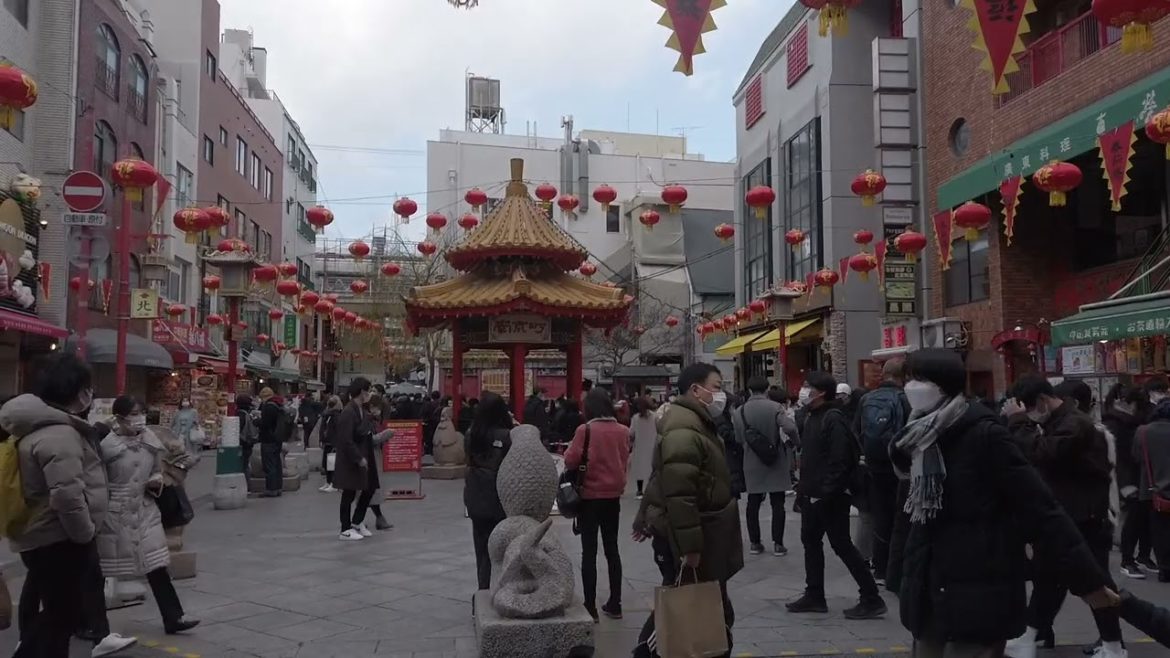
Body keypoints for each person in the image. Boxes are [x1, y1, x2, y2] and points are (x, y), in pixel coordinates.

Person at [889, 349, 1119, 658]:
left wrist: (1089, 582)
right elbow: (910, 518)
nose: (910, 386)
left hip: (981, 589)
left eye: (919, 379)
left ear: (944, 384)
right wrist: (899, 576)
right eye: (909, 378)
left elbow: (1041, 509)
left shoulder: (985, 435)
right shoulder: (917, 437)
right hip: (928, 594)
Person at [0, 355, 138, 658]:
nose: (90, 394)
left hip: (44, 534)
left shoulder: (42, 427)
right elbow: (67, 494)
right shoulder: (59, 433)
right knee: (59, 615)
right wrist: (84, 532)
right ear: (75, 390)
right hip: (59, 537)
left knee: (57, 614)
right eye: (87, 388)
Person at [1003, 375, 1124, 658]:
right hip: (1066, 516)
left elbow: (1042, 453)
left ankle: (1113, 646)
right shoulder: (1061, 421)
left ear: (1043, 401)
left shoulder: (1075, 424)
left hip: (1086, 519)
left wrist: (1019, 422)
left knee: (1096, 582)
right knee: (1049, 580)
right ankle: (1029, 637)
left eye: (1031, 408)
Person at [632, 362, 742, 658]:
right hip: (693, 537)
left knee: (700, 602)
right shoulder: (684, 426)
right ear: (696, 389)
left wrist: (643, 517)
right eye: (716, 387)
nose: (721, 394)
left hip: (704, 532)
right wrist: (690, 548)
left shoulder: (693, 421)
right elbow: (680, 493)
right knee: (684, 603)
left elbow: (661, 478)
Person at [786, 371, 885, 619]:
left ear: (821, 392)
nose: (803, 390)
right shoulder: (811, 417)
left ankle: (871, 597)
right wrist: (803, 492)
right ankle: (814, 594)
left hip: (830, 497)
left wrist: (826, 492)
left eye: (808, 386)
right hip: (812, 494)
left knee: (841, 545)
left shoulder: (833, 418)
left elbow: (841, 461)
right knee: (811, 543)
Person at [99, 397, 199, 635]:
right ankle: (89, 622)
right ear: (120, 417)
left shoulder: (151, 442)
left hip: (145, 510)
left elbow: (157, 470)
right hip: (115, 511)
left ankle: (174, 617)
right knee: (101, 568)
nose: (139, 418)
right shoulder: (106, 446)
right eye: (134, 413)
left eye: (142, 412)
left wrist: (157, 482)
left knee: (155, 565)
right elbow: (98, 481)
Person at [564, 389, 630, 621]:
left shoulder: (586, 430)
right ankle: (615, 602)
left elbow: (571, 459)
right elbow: (624, 460)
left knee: (589, 551)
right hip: (613, 497)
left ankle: (590, 605)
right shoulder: (623, 431)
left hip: (590, 497)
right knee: (612, 549)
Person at [854, 359, 909, 586]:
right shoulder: (905, 399)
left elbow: (856, 430)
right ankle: (896, 568)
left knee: (879, 515)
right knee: (900, 516)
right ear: (904, 376)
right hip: (900, 466)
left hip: (873, 466)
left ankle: (879, 566)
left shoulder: (867, 399)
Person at [732, 376, 797, 557]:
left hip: (751, 461)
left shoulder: (739, 411)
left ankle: (755, 543)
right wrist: (794, 443)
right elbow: (790, 428)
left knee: (753, 503)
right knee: (778, 503)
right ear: (767, 389)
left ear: (749, 390)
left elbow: (738, 438)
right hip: (775, 459)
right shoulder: (775, 407)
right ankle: (778, 544)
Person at [1104, 383, 1157, 579]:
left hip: (1141, 476)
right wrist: (1125, 484)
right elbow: (1116, 457)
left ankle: (1143, 556)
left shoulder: (1133, 422)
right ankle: (1127, 560)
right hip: (1128, 478)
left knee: (1145, 518)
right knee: (1134, 520)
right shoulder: (1114, 424)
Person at [464, 392, 513, 591]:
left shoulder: (471, 434)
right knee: (504, 546)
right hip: (500, 495)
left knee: (481, 547)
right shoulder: (507, 435)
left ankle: (483, 589)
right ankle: (504, 590)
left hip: (476, 494)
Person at [333, 378, 376, 541]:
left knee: (367, 489)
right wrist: (358, 458)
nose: (369, 394)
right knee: (348, 493)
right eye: (368, 390)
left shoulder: (361, 410)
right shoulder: (348, 412)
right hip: (350, 460)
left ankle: (357, 521)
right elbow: (346, 439)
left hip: (361, 456)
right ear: (362, 392)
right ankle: (345, 528)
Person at [1136, 376, 1170, 582]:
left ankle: (1164, 567)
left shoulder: (1143, 432)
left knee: (1159, 531)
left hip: (1154, 489)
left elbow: (1137, 456)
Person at [355, 394, 393, 533]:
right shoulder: (366, 419)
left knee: (370, 491)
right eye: (377, 408)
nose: (378, 411)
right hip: (367, 457)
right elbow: (368, 439)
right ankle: (361, 521)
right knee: (368, 491)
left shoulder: (373, 419)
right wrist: (386, 435)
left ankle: (371, 519)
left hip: (372, 456)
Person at [255, 388, 284, 497]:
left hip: (269, 439)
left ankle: (271, 488)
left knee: (269, 464)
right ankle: (278, 487)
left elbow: (265, 424)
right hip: (277, 438)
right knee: (277, 463)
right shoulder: (278, 404)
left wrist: (256, 421)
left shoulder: (269, 406)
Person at [629, 397, 658, 498]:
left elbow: (631, 433)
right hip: (652, 444)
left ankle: (639, 491)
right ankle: (652, 489)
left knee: (639, 468)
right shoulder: (655, 416)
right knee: (651, 467)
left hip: (640, 445)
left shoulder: (635, 418)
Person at [318, 395, 343, 492]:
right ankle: (328, 482)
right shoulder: (327, 414)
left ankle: (333, 484)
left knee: (331, 464)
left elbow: (337, 430)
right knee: (326, 464)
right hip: (328, 442)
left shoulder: (336, 415)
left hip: (333, 443)